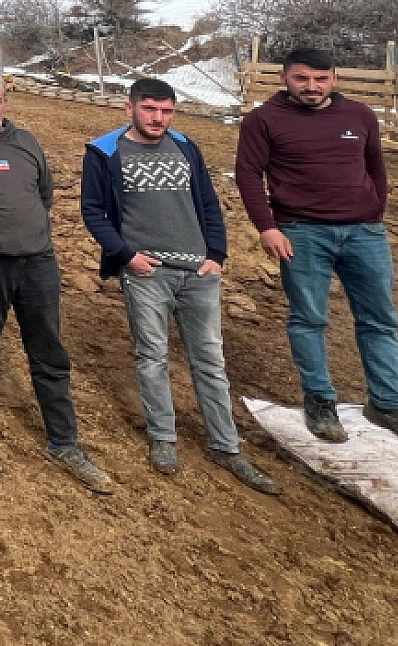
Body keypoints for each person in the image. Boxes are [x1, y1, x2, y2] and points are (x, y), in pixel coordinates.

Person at [235, 46, 398, 454]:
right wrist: (267, 227)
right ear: (285, 78)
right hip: (301, 233)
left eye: (320, 79)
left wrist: (373, 212)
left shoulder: (360, 116)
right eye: (302, 78)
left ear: (334, 78)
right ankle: (319, 399)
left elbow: (375, 168)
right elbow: (248, 175)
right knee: (309, 318)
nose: (312, 87)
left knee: (380, 319)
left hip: (363, 234)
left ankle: (388, 405)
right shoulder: (264, 120)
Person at [81, 78, 279, 493]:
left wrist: (216, 255)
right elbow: (94, 211)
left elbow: (207, 201)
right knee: (151, 356)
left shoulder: (186, 147)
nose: (159, 118)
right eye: (150, 109)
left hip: (198, 274)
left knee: (210, 360)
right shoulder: (104, 152)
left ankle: (225, 445)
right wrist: (126, 256)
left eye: (167, 111)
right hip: (147, 272)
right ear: (129, 109)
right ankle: (163, 438)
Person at [0, 69, 116, 493]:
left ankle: (64, 442)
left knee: (49, 351)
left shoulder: (27, 142)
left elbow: (44, 194)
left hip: (37, 262)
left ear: (5, 102)